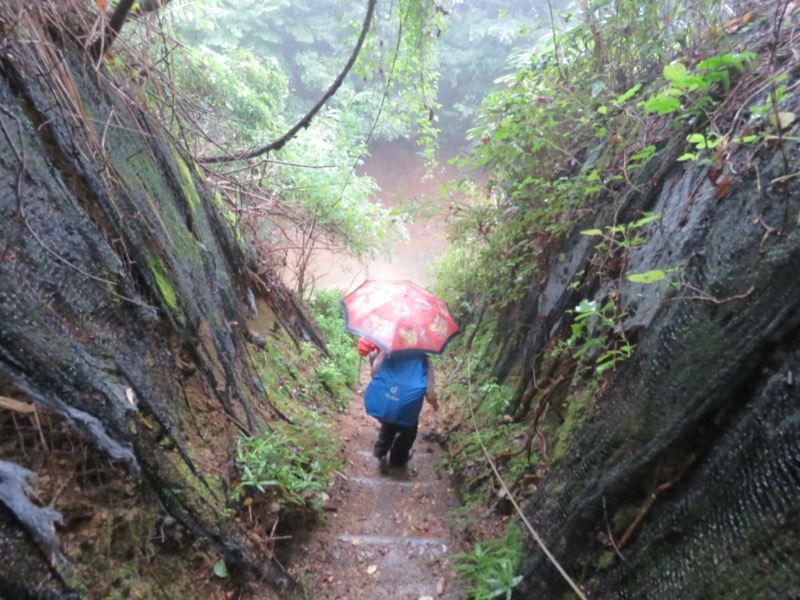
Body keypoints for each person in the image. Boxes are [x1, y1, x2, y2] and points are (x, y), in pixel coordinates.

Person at [359, 343, 438, 468]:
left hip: (389, 398)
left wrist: (383, 353)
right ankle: (398, 460)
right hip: (409, 406)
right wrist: (435, 405)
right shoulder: (425, 360)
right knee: (408, 432)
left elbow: (374, 372)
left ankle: (380, 452)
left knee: (388, 425)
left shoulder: (389, 351)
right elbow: (430, 393)